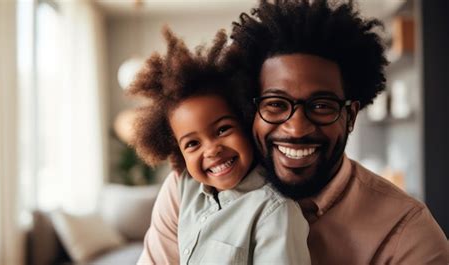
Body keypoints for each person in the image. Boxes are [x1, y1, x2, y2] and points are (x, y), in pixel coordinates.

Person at [139, 0, 449, 264]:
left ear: (350, 116)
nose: (297, 128)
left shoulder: (408, 235)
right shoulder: (189, 192)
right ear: (250, 110)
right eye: (275, 104)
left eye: (322, 105)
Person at [131, 27, 311, 264]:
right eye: (192, 143)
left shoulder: (274, 211)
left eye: (223, 129)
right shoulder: (184, 186)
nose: (212, 149)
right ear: (178, 151)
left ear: (246, 122)